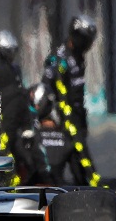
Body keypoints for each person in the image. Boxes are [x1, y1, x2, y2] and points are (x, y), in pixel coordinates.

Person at [0, 30, 52, 186]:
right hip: (2, 118)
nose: (12, 55)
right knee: (3, 148)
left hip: (17, 119)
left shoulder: (13, 69)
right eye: (9, 51)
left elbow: (20, 94)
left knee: (25, 149)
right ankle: (10, 180)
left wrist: (27, 120)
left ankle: (35, 179)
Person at [40, 15, 102, 187]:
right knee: (61, 163)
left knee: (80, 162)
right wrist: (57, 117)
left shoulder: (79, 58)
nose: (88, 46)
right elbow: (51, 91)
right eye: (86, 40)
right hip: (61, 118)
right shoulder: (60, 58)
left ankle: (89, 193)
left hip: (77, 114)